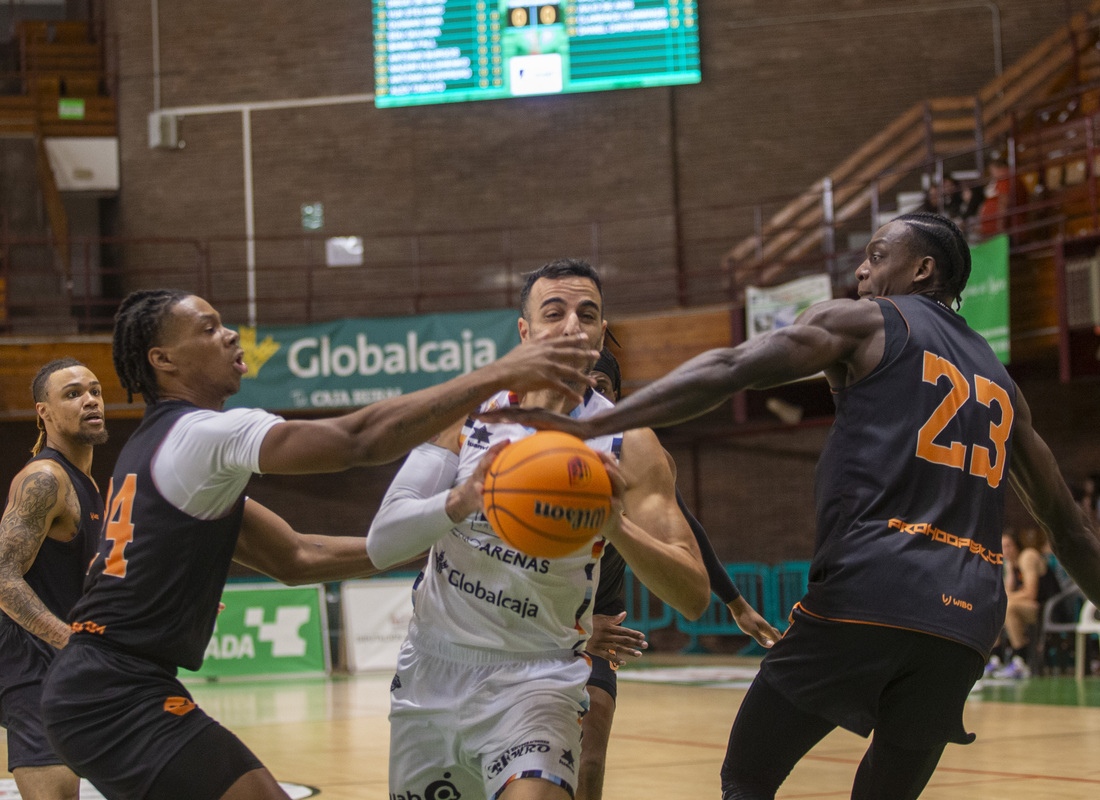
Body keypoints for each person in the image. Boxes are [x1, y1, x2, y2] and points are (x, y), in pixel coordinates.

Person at [482, 212, 1100, 799]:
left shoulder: (868, 321)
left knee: (747, 774)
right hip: (969, 621)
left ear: (922, 272)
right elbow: (1072, 529)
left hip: (871, 592)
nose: (862, 271)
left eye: (879, 255)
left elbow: (732, 368)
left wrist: (593, 426)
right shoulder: (1003, 382)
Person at [37, 288, 597, 800]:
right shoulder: (204, 434)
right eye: (208, 329)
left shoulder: (163, 448)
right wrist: (493, 375)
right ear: (164, 360)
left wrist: (433, 540)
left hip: (99, 688)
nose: (230, 334)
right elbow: (354, 440)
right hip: (114, 692)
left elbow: (297, 558)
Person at [364, 259, 711, 800]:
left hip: (540, 676)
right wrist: (461, 499)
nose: (572, 325)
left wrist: (615, 524)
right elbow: (383, 541)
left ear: (601, 334)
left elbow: (692, 595)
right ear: (524, 331)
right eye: (555, 312)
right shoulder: (466, 414)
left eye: (587, 314)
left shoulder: (632, 445)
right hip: (433, 667)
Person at [577, 348, 781, 800]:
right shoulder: (527, 452)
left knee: (589, 763)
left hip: (602, 620)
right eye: (582, 385)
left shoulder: (635, 455)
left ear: (618, 397)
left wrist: (736, 603)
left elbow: (686, 532)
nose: (591, 396)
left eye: (602, 388)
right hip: (532, 627)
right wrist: (566, 629)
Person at [0, 359, 107, 800]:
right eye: (73, 393)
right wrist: (69, 641)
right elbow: (2, 576)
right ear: (43, 412)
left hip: (67, 663)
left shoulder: (87, 484)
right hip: (31, 662)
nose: (90, 399)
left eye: (95, 390)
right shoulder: (45, 479)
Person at [989, 529, 1060, 679]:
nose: (1005, 550)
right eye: (1002, 547)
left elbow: (1030, 593)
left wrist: (1005, 599)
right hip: (1032, 609)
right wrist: (1008, 569)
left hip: (1050, 609)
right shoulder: (1011, 565)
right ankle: (995, 658)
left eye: (1008, 545)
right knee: (994, 607)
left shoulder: (1027, 556)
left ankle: (1020, 660)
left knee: (1008, 607)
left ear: (1016, 545)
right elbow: (1007, 593)